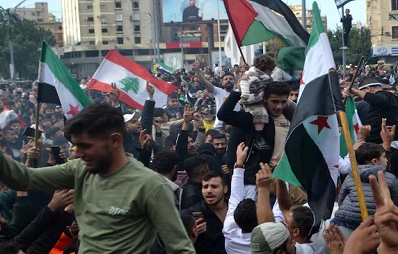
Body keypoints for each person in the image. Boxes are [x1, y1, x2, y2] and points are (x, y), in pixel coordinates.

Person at [0, 102, 194, 253]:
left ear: (115, 141)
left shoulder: (151, 186)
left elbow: (179, 248)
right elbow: (23, 179)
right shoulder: (80, 169)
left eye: (85, 146)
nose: (77, 154)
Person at [190, 171, 229, 254]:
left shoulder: (235, 208)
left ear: (225, 189)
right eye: (205, 187)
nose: (208, 191)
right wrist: (191, 236)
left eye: (214, 187)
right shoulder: (194, 214)